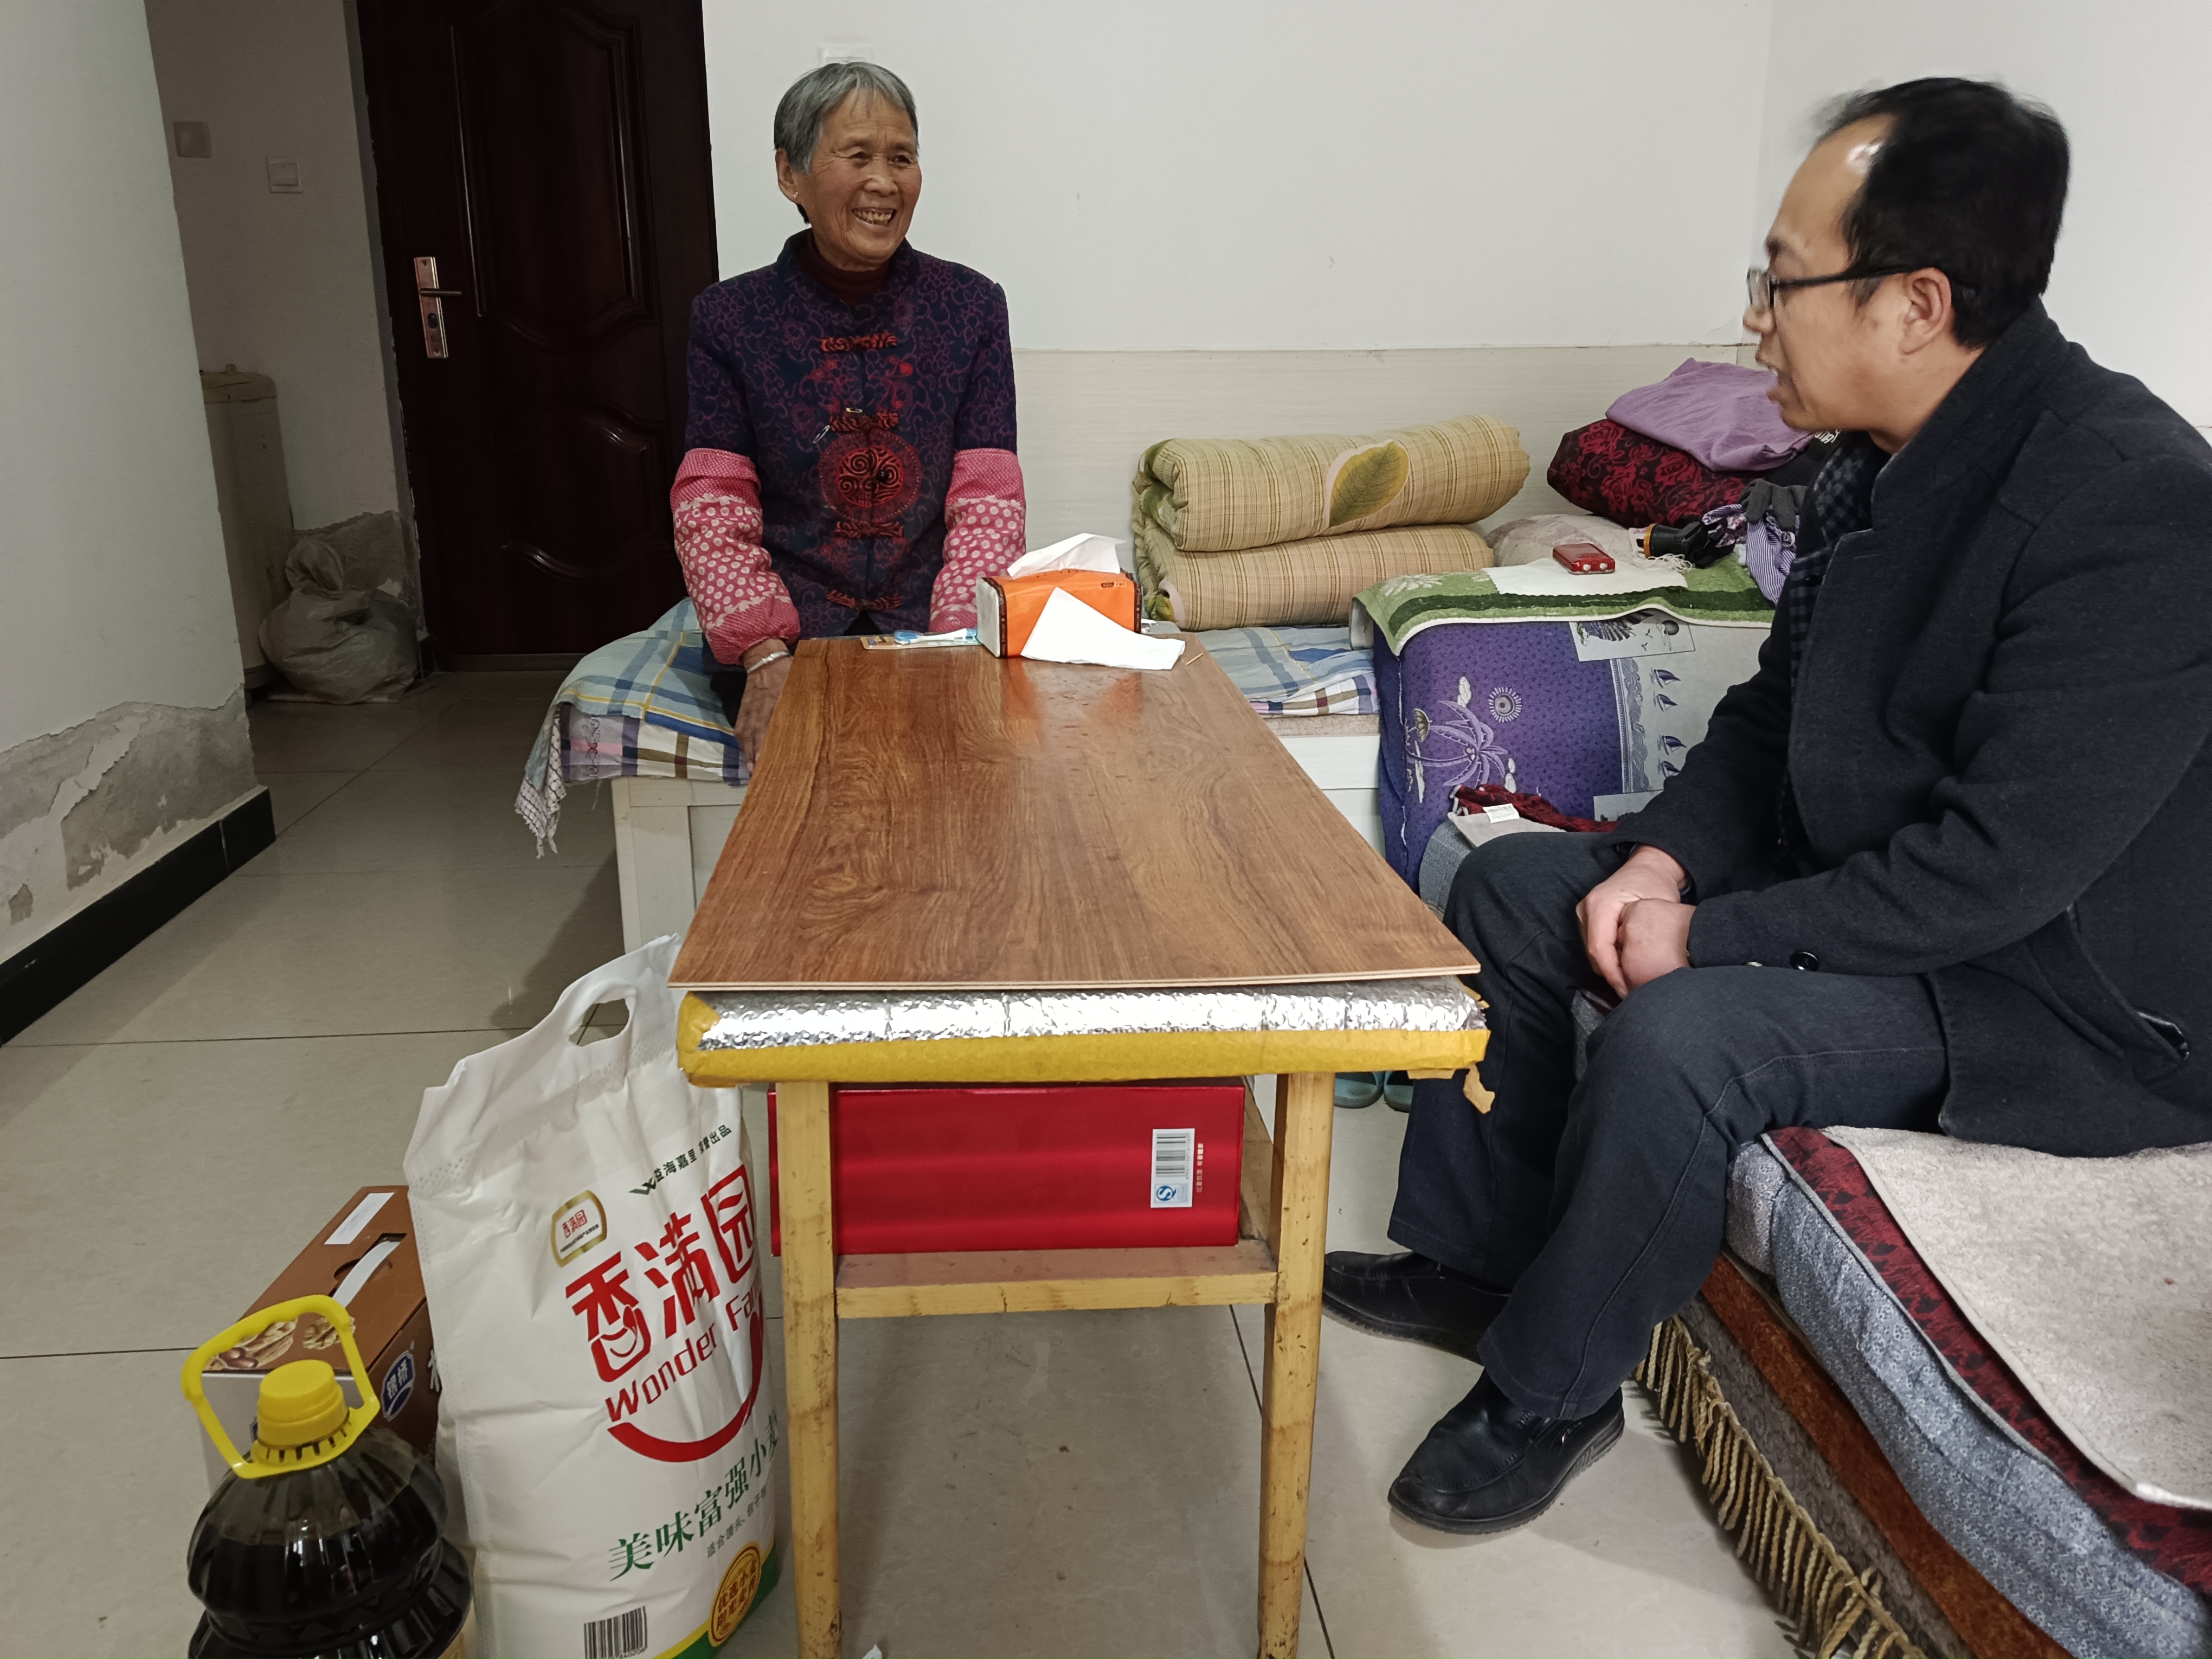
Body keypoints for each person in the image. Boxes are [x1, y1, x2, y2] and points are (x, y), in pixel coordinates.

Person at [1324, 78, 2212, 1536]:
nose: (1754, 319)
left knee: (1686, 1037)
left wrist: (1714, 936)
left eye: (1783, 281)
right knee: (1512, 887)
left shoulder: (2138, 507)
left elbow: (1997, 873)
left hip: (2041, 993)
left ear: (1915, 305)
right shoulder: (1869, 468)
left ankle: (1549, 1394)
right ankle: (1477, 1264)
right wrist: (1661, 862)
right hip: (1887, 896)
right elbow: (1768, 715)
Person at [675, 62, 1025, 765]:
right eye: (858, 155)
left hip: (932, 624)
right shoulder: (730, 318)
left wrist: (959, 641)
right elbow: (713, 505)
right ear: (790, 174)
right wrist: (762, 653)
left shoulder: (972, 307)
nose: (884, 182)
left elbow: (988, 503)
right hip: (788, 632)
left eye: (902, 158)